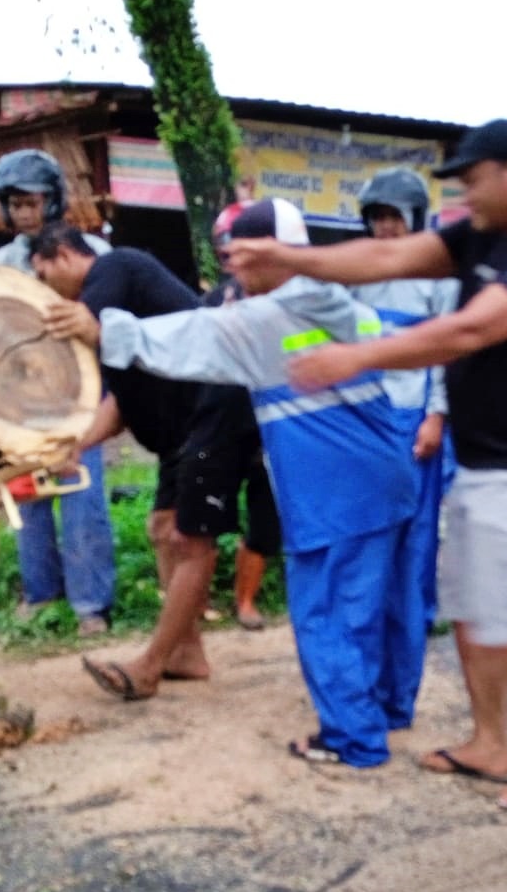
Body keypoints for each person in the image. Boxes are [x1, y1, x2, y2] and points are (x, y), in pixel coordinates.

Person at [230, 119, 507, 815]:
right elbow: (383, 261)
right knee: (469, 610)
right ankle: (491, 741)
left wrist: (357, 357)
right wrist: (289, 256)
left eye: (472, 179)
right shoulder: (481, 236)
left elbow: (467, 330)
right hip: (482, 461)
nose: (463, 194)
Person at [46, 198, 415, 769]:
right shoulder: (328, 302)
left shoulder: (281, 312)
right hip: (377, 478)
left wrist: (105, 328)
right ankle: (389, 708)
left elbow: (196, 335)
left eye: (246, 255)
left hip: (335, 493)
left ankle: (353, 739)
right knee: (380, 603)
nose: (234, 268)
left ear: (281, 253)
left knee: (329, 611)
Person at [27, 221, 217, 700]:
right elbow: (122, 405)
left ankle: (150, 667)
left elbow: (87, 319)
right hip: (183, 433)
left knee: (187, 538)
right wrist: (77, 444)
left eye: (43, 275)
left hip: (212, 414)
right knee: (161, 529)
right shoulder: (115, 330)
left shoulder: (116, 267)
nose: (44, 290)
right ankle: (186, 652)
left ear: (65, 256)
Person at [0, 149, 115, 636]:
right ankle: (41, 595)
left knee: (82, 491)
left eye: (31, 202)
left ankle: (91, 606)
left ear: (54, 200)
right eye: (13, 203)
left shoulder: (92, 255)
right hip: (23, 392)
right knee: (27, 491)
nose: (23, 212)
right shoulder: (0, 263)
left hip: (82, 389)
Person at [350, 167, 459, 725]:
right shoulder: (356, 275)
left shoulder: (438, 277)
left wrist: (436, 415)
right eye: (378, 218)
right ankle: (362, 687)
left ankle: (399, 697)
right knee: (365, 562)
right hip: (366, 426)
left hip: (416, 427)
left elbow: (446, 352)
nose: (387, 229)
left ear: (416, 218)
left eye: (395, 217)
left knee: (410, 566)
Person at [202, 202, 281, 630]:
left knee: (266, 521)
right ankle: (196, 602)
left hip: (270, 426)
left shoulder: (287, 299)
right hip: (224, 424)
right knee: (207, 517)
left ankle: (246, 602)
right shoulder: (213, 301)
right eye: (228, 246)